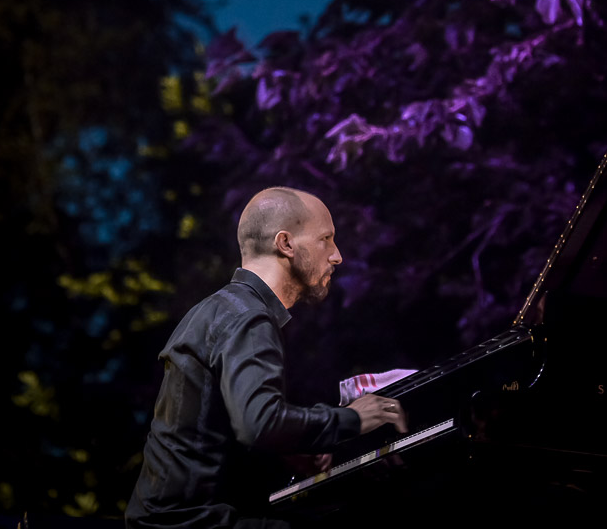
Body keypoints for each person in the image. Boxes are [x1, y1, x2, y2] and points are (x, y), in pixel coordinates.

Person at [125, 186, 407, 528]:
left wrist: (287, 450)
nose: (337, 256)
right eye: (326, 239)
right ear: (285, 244)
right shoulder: (249, 317)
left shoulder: (220, 309)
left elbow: (217, 427)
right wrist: (353, 418)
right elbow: (259, 424)